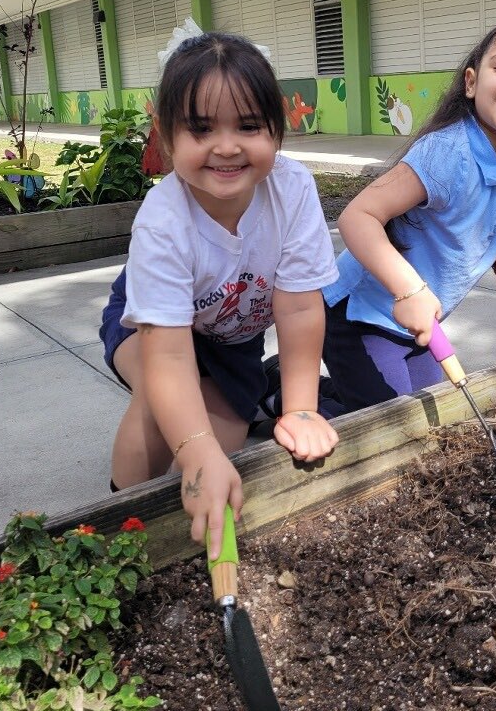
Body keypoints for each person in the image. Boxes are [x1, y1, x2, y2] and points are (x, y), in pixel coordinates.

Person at [100, 32, 339, 559]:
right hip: (152, 330)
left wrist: (300, 410)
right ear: (164, 136)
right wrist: (193, 448)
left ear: (278, 128)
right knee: (163, 418)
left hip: (231, 338)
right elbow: (166, 353)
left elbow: (299, 307)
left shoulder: (293, 190)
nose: (227, 146)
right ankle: (119, 524)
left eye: (249, 126)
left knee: (224, 452)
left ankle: (258, 398)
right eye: (202, 128)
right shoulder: (163, 221)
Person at [322, 10, 496, 411]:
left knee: (436, 415)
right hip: (359, 317)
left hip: (418, 324)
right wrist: (410, 289)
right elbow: (358, 216)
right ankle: (285, 396)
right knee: (394, 426)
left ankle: (299, 386)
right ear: (472, 82)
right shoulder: (447, 152)